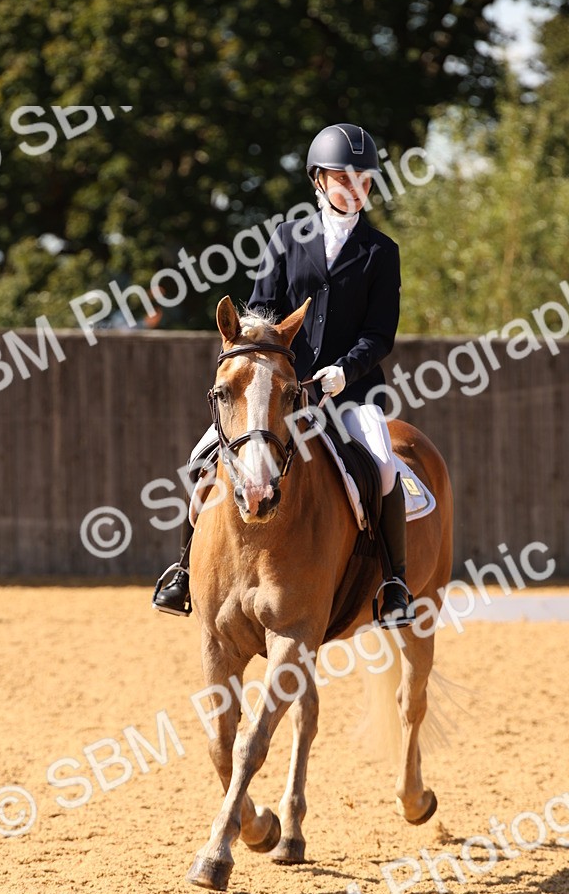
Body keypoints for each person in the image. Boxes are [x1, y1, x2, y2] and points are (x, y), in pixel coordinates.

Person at [152, 122, 414, 627]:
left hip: (350, 390)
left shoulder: (382, 252)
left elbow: (380, 334)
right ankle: (183, 569)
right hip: (278, 391)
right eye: (344, 177)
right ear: (318, 180)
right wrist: (270, 364)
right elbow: (264, 311)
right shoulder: (287, 239)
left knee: (383, 466)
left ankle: (394, 582)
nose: (355, 188)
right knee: (201, 458)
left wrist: (343, 371)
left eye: (364, 179)